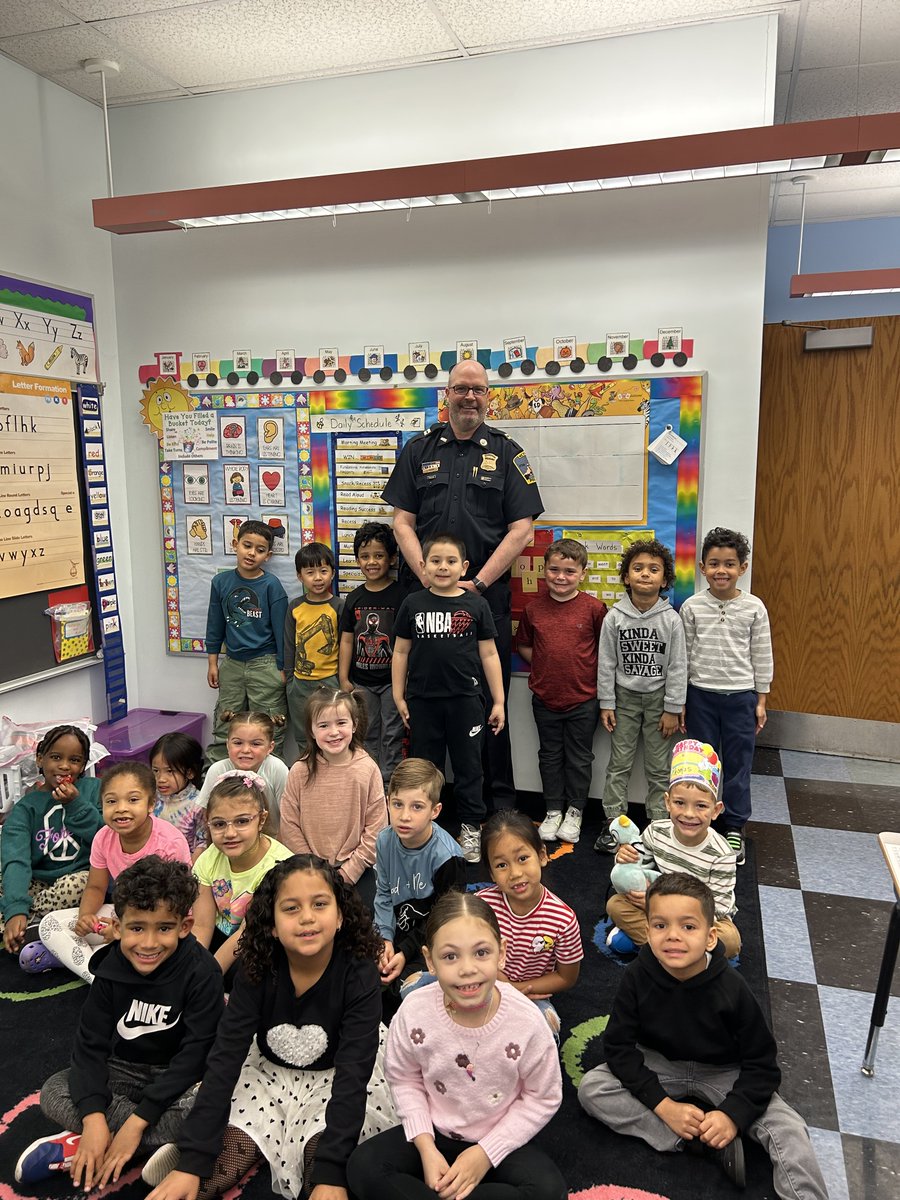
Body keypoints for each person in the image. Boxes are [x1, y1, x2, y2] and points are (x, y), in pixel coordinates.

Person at [143, 855, 397, 1200]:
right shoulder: (256, 968)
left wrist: (331, 1173)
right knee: (242, 1136)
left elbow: (353, 1074)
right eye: (291, 908)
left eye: (319, 904)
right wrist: (193, 1161)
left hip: (338, 1076)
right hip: (268, 1070)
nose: (307, 917)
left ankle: (317, 1165)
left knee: (323, 1163)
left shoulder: (359, 972)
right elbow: (226, 1055)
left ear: (340, 917)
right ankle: (190, 1158)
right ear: (272, 924)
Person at [578, 874, 828, 1199]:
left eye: (688, 927)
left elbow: (762, 1065)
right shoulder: (637, 976)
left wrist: (732, 1114)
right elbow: (618, 1047)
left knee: (790, 1129)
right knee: (593, 1089)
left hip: (724, 1070)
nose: (673, 937)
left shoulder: (733, 989)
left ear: (711, 938)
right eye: (660, 925)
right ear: (648, 931)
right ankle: (694, 1141)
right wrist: (663, 1106)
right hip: (660, 1063)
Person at [383, 358, 544, 811]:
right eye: (460, 389)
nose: (469, 396)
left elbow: (522, 531)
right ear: (446, 395)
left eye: (477, 389)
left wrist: (476, 582)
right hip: (423, 600)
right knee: (425, 703)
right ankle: (421, 804)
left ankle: (497, 807)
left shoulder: (509, 453)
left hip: (483, 601)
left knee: (490, 704)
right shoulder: (418, 450)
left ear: (488, 396)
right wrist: (429, 579)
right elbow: (402, 523)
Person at [15, 858, 224, 1189]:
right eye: (137, 928)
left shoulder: (203, 973)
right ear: (117, 924)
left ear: (184, 926)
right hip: (125, 1070)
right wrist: (94, 1118)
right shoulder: (110, 969)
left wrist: (136, 1122)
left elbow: (196, 1055)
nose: (149, 943)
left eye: (164, 928)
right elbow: (89, 1047)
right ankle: (144, 1143)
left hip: (179, 1078)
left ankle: (109, 1145)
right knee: (54, 1090)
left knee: (219, 1098)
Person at [346, 892, 566, 1200]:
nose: (467, 969)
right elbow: (404, 1078)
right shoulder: (413, 1011)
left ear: (501, 954)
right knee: (363, 1166)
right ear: (429, 961)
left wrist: (484, 1155)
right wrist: (425, 1147)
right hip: (433, 1132)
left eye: (481, 953)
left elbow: (543, 1097)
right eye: (450, 956)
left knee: (549, 1191)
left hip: (497, 1137)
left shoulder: (528, 1022)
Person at [392, 532, 505, 864]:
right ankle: (425, 829)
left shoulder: (476, 605)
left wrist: (498, 701)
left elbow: (489, 654)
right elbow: (400, 651)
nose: (443, 567)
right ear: (423, 566)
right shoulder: (413, 603)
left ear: (464, 566)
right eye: (436, 561)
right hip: (422, 701)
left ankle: (470, 827)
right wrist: (399, 695)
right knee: (424, 768)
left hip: (466, 701)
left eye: (451, 561)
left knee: (470, 766)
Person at [38, 762, 192, 983]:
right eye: (111, 801)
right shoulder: (103, 837)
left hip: (160, 924)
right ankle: (99, 978)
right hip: (121, 917)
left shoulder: (170, 842)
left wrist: (127, 931)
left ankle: (112, 966)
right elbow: (96, 887)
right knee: (51, 925)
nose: (121, 808)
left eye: (133, 800)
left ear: (151, 804)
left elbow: (178, 904)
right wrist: (86, 917)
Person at [681, 527, 773, 864]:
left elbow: (762, 654)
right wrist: (681, 701)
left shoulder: (754, 608)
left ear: (743, 568)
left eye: (730, 564)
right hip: (700, 696)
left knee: (738, 765)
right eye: (714, 563)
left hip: (740, 698)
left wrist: (761, 700)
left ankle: (734, 826)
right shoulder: (691, 607)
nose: (722, 570)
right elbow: (683, 657)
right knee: (700, 764)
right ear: (702, 568)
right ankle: (698, 822)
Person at [606, 739, 740, 959]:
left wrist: (673, 910)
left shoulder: (722, 853)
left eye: (701, 806)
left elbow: (719, 907)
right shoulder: (655, 831)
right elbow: (634, 872)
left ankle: (652, 945)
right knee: (615, 905)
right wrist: (625, 858)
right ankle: (683, 954)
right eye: (680, 803)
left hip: (700, 916)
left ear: (716, 810)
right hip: (656, 905)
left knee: (730, 941)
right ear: (667, 802)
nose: (688, 814)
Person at [594, 539, 687, 853]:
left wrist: (673, 708)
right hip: (624, 699)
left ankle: (660, 825)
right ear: (626, 576)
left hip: (660, 701)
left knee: (659, 767)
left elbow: (677, 666)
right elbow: (606, 662)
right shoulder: (614, 618)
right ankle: (613, 824)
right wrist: (607, 702)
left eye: (653, 569)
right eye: (638, 568)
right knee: (619, 763)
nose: (645, 574)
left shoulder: (671, 619)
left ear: (664, 579)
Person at [517, 538, 607, 846]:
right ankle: (553, 810)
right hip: (545, 698)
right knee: (549, 756)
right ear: (544, 571)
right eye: (554, 569)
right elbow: (526, 646)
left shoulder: (595, 609)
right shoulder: (533, 609)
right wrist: (545, 665)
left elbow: (603, 651)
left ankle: (575, 811)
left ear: (582, 573)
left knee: (579, 758)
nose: (561, 577)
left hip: (584, 699)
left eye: (569, 571)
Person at [1, 725, 102, 967]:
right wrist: (16, 906)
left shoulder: (93, 790)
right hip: (39, 881)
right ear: (40, 758)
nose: (65, 766)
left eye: (74, 760)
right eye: (56, 757)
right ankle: (26, 920)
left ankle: (27, 923)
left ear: (84, 764)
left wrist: (76, 804)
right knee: (6, 877)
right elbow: (16, 858)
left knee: (79, 884)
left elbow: (104, 837)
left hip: (79, 879)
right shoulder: (27, 807)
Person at [279, 687, 387, 911]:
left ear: (354, 725)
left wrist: (348, 872)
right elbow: (289, 824)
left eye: (341, 723)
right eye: (323, 725)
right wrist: (312, 868)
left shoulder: (367, 769)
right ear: (311, 730)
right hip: (307, 868)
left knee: (361, 928)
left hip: (356, 870)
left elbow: (376, 829)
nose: (333, 732)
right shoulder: (299, 771)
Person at [478, 810, 582, 1042]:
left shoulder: (563, 919)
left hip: (530, 993)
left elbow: (566, 977)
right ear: (492, 873)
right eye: (502, 865)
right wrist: (498, 980)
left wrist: (516, 988)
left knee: (547, 1030)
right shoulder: (480, 906)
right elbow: (467, 953)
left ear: (542, 855)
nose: (515, 873)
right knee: (416, 988)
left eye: (523, 858)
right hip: (484, 980)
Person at [374, 758, 465, 993]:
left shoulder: (448, 857)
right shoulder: (385, 840)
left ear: (435, 811)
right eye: (397, 804)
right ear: (387, 803)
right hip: (397, 930)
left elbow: (445, 917)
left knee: (408, 990)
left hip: (432, 936)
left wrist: (404, 951)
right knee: (362, 974)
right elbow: (383, 894)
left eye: (417, 806)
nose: (404, 816)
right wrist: (384, 939)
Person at [192, 772, 292, 980]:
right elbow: (202, 924)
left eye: (242, 822)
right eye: (219, 824)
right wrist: (194, 969)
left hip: (259, 939)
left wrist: (209, 976)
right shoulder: (209, 858)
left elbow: (247, 933)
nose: (230, 833)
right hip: (221, 934)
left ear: (261, 819)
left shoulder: (279, 867)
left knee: (248, 973)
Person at [205, 519, 288, 763]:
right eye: (247, 545)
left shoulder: (271, 585)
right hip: (231, 664)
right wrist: (212, 662)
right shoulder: (221, 583)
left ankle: (271, 786)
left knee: (270, 726)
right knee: (225, 724)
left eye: (260, 550)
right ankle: (220, 783)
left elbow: (282, 631)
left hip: (266, 664)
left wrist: (282, 667)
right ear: (235, 544)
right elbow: (214, 624)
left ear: (268, 555)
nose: (252, 553)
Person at [338, 521, 407, 788]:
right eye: (365, 556)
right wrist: (344, 678)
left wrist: (404, 680)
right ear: (357, 560)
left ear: (391, 558)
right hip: (361, 682)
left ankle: (389, 781)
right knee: (366, 731)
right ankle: (368, 779)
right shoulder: (354, 598)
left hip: (393, 682)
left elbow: (405, 643)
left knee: (393, 731)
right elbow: (346, 641)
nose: (372, 562)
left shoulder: (402, 596)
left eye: (379, 555)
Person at [284, 542, 344, 751]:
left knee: (331, 734)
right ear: (300, 576)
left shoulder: (338, 606)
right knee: (304, 736)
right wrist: (290, 678)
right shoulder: (295, 607)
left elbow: (345, 645)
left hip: (330, 681)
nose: (318, 578)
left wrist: (342, 680)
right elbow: (289, 644)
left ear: (332, 574)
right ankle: (307, 776)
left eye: (323, 571)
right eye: (310, 572)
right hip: (300, 684)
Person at [197, 711, 288, 836]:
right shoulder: (217, 770)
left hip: (271, 841)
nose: (245, 750)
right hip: (228, 838)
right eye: (238, 743)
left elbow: (288, 818)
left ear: (270, 747)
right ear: (227, 744)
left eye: (255, 744)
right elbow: (206, 815)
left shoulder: (277, 769)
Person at [150, 732, 207, 857]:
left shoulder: (198, 804)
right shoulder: (150, 797)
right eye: (156, 771)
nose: (161, 779)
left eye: (170, 771)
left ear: (190, 773)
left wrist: (189, 872)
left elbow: (203, 843)